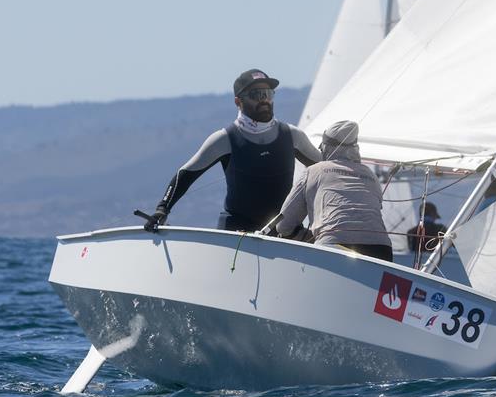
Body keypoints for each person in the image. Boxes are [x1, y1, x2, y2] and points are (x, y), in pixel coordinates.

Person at [144, 68, 322, 232]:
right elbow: (185, 174)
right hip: (237, 230)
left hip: (281, 231)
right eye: (256, 94)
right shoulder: (224, 139)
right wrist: (162, 209)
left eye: (268, 93)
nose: (264, 100)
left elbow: (330, 169)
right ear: (238, 101)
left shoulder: (292, 135)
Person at [275, 120, 393, 262]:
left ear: (326, 147)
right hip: (382, 250)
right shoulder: (370, 174)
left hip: (334, 247)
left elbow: (283, 224)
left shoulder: (313, 171)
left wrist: (304, 236)